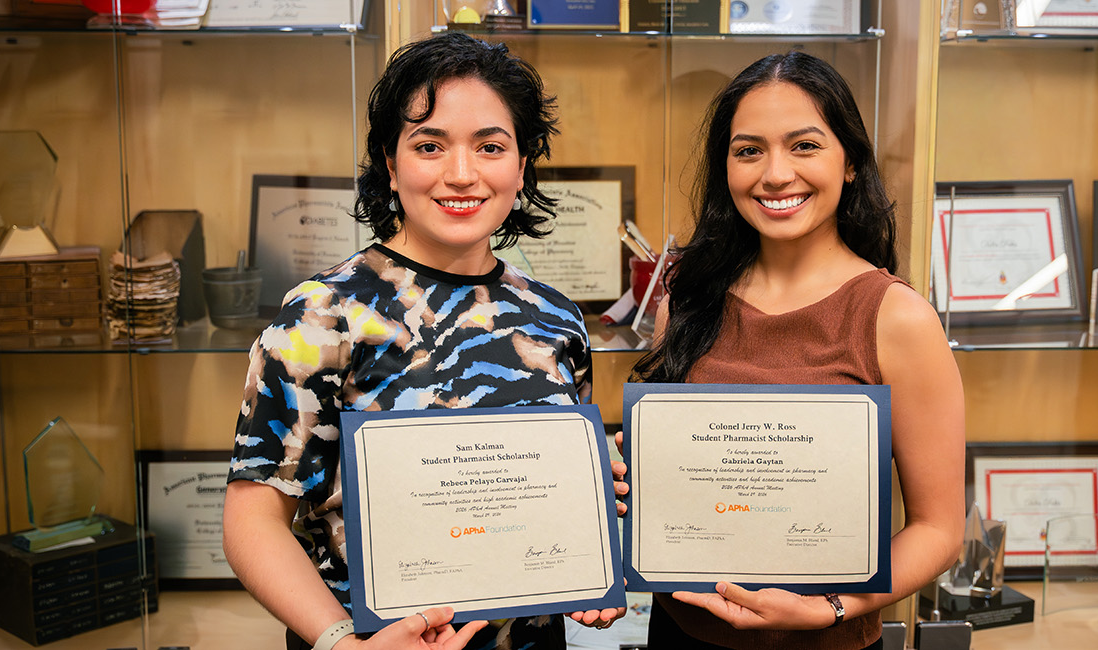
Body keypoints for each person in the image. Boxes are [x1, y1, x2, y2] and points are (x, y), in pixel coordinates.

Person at [223, 32, 623, 650]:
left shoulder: (556, 319)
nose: (461, 175)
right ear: (390, 162)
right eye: (429, 145)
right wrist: (339, 643)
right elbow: (253, 519)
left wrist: (589, 535)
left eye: (491, 146)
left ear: (521, 165)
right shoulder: (323, 318)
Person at [627, 51, 966, 650]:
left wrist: (832, 607)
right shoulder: (686, 301)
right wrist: (637, 480)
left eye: (805, 145)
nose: (775, 174)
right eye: (749, 150)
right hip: (682, 634)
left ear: (852, 163)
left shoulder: (897, 317)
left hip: (827, 640)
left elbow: (940, 530)